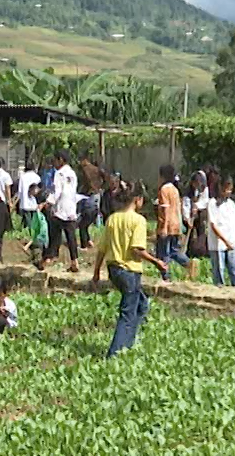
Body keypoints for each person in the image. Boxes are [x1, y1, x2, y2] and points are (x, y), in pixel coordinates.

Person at [91, 184, 168, 358]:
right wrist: (157, 262)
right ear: (137, 200)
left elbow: (102, 249)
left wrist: (96, 272)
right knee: (127, 313)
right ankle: (116, 352)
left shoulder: (112, 219)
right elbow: (137, 250)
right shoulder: (138, 221)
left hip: (114, 270)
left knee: (141, 304)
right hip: (129, 271)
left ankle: (129, 342)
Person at [153, 164, 195, 282]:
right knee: (174, 251)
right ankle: (188, 264)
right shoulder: (175, 190)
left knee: (163, 254)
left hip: (167, 225)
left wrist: (164, 227)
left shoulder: (164, 190)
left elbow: (165, 209)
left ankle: (166, 277)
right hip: (176, 225)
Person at [207, 176, 235, 287]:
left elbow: (234, 226)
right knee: (219, 272)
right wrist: (225, 242)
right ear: (220, 187)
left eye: (230, 189)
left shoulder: (231, 204)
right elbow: (213, 226)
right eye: (226, 189)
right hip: (218, 246)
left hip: (232, 244)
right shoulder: (212, 203)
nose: (228, 192)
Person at [44, 151, 82, 272]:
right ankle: (74, 261)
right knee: (71, 236)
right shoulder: (72, 173)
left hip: (61, 207)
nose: (54, 163)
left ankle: (50, 257)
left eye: (55, 160)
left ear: (60, 160)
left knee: (54, 232)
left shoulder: (59, 174)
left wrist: (48, 202)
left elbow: (57, 191)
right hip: (71, 206)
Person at [22, 187, 50, 270]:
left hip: (40, 243)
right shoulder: (40, 217)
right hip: (41, 243)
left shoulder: (39, 216)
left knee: (37, 259)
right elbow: (39, 232)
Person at [16, 159, 40, 230]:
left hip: (25, 203)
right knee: (34, 221)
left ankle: (28, 234)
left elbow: (19, 191)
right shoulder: (37, 177)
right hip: (34, 202)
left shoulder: (23, 177)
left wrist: (17, 201)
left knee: (27, 222)